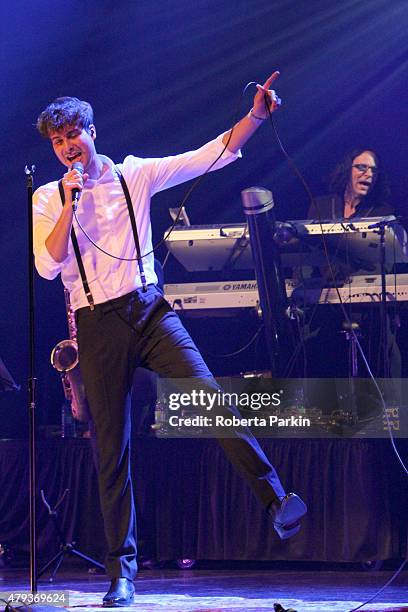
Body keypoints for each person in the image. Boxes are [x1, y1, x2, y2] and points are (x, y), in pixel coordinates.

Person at [33, 72, 307, 607]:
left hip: (150, 309)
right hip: (96, 324)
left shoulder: (135, 175)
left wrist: (253, 118)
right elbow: (48, 266)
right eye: (58, 142)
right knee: (111, 451)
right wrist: (70, 202)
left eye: (75, 136)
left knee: (209, 399)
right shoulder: (48, 196)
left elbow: (205, 155)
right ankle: (123, 574)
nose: (69, 147)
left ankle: (276, 500)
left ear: (92, 131)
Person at [303, 148, 401, 383]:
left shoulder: (382, 212)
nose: (369, 174)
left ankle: (387, 410)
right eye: (362, 167)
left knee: (383, 347)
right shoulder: (321, 206)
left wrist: (345, 272)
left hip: (366, 306)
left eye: (374, 171)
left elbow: (381, 262)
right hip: (325, 302)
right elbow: (309, 253)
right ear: (347, 170)